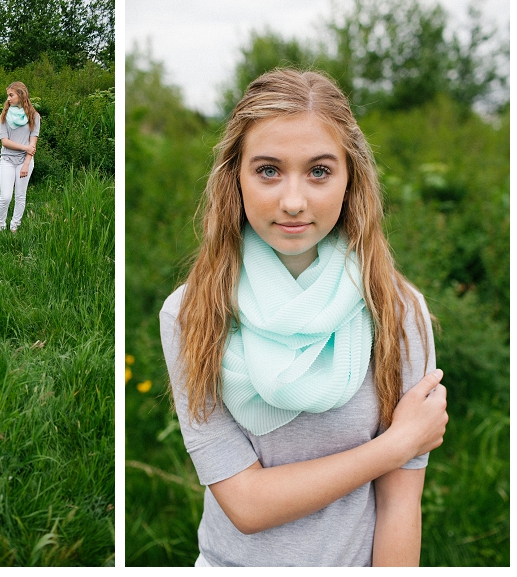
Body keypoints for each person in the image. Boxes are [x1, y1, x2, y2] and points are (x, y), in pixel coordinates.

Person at [160, 69, 448, 567]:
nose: (293, 202)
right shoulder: (192, 312)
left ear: (349, 177)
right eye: (268, 170)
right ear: (236, 176)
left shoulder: (398, 312)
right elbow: (246, 504)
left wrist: (401, 453)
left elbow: (401, 504)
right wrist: (395, 444)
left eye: (319, 171)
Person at [0, 81, 40, 233]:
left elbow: (33, 144)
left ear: (21, 95)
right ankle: (0, 227)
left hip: (25, 162)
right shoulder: (4, 116)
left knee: (20, 196)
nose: (8, 98)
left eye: (11, 95)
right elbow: (5, 141)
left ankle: (14, 226)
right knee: (6, 197)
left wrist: (27, 163)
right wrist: (24, 147)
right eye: (8, 95)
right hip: (7, 160)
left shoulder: (34, 116)